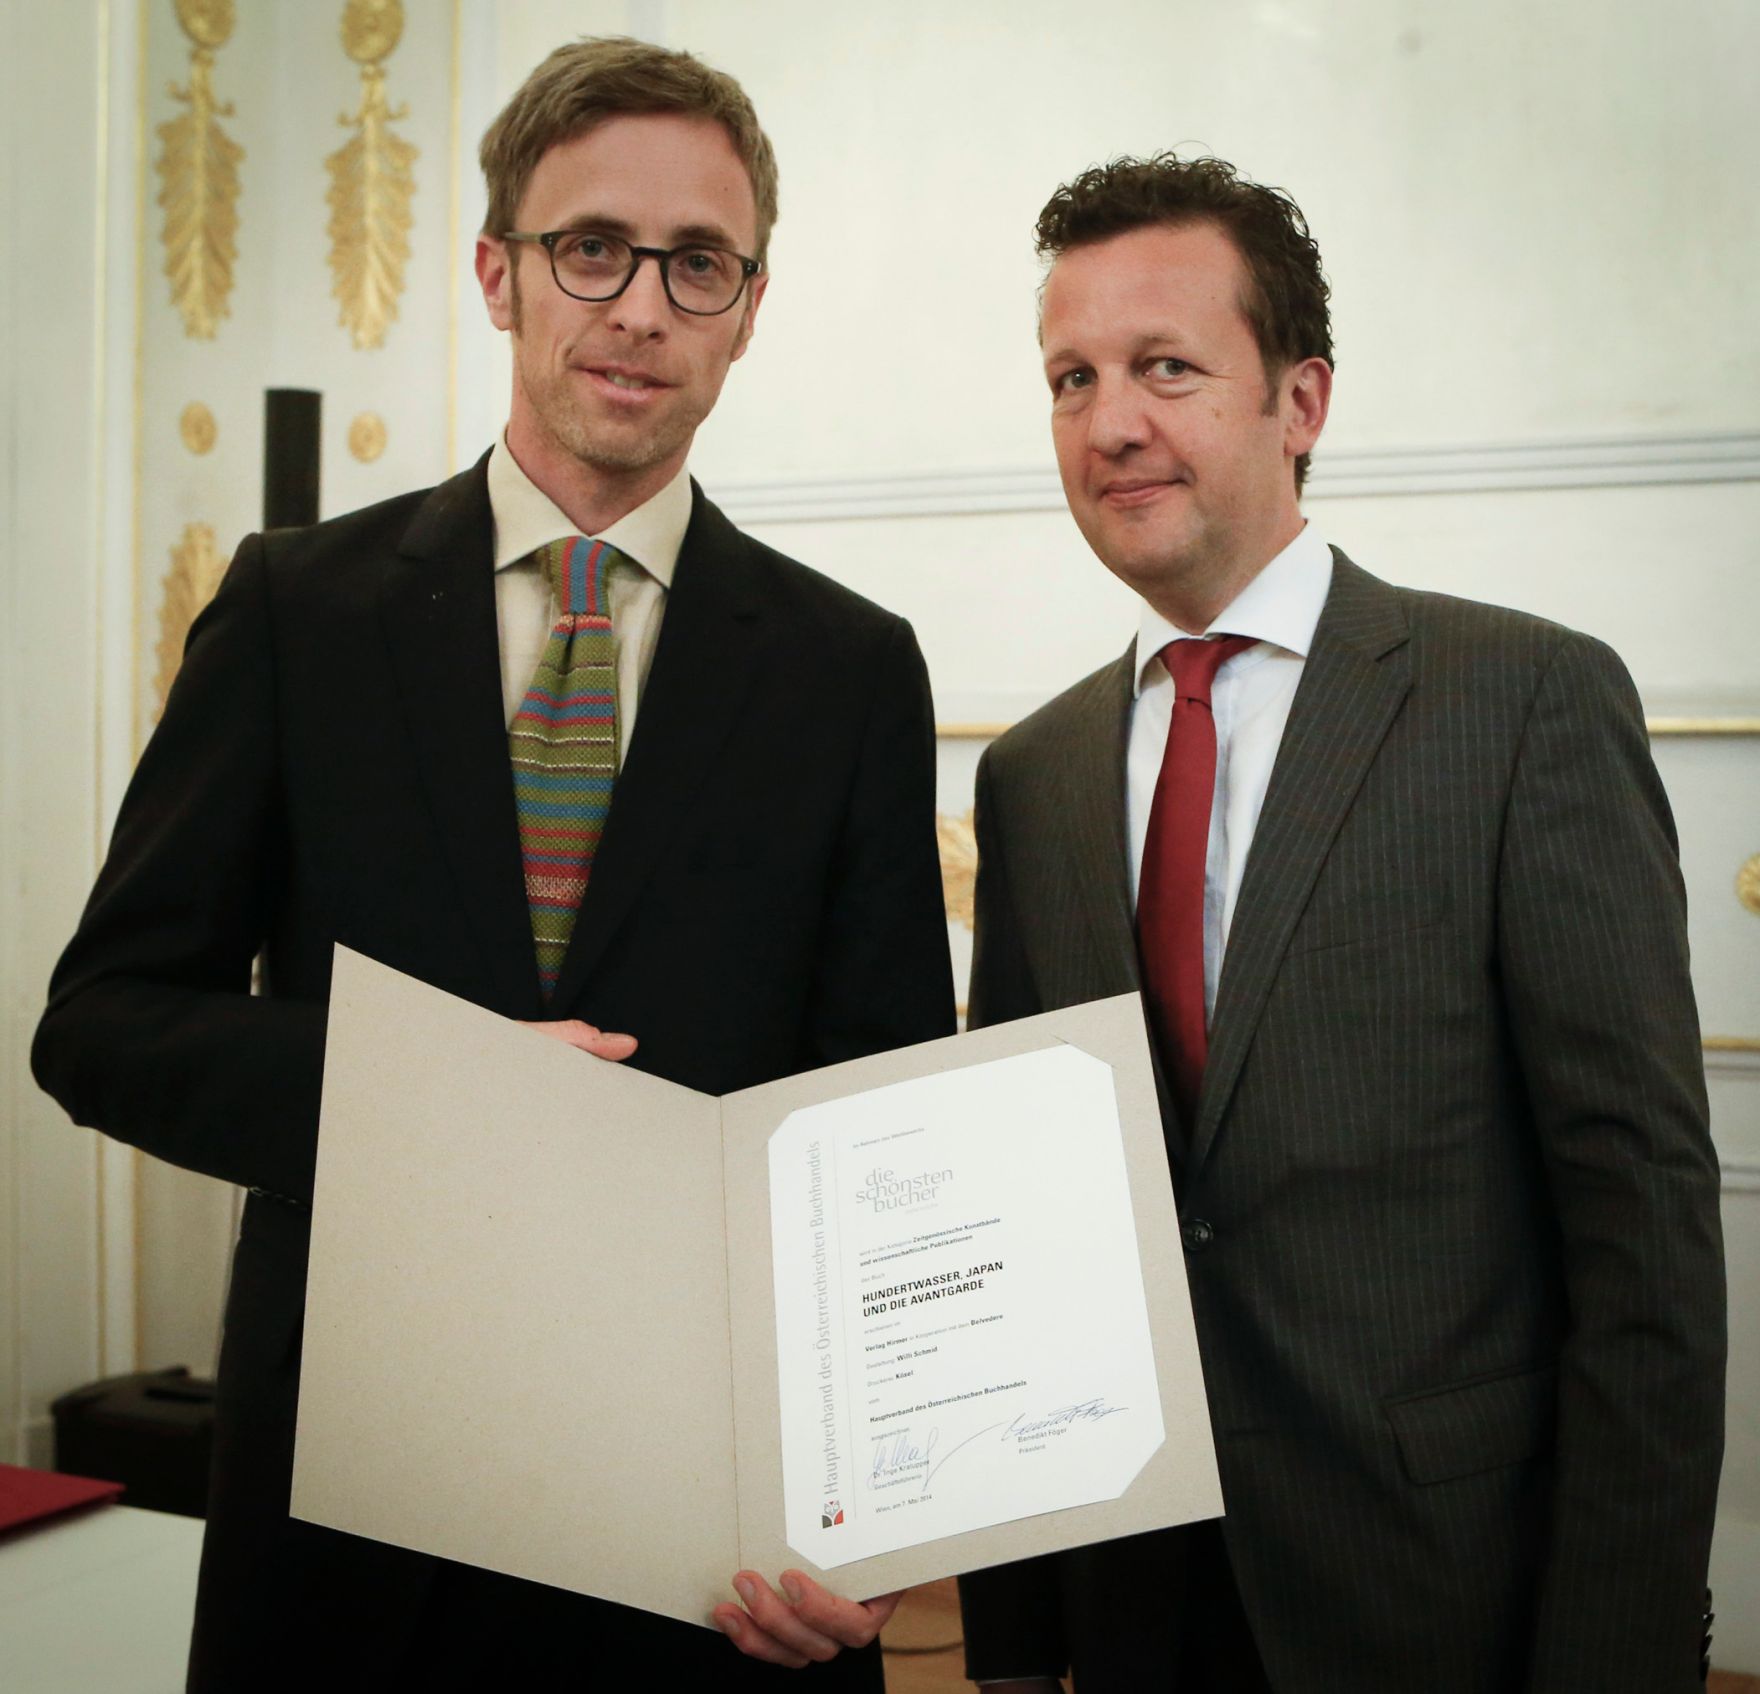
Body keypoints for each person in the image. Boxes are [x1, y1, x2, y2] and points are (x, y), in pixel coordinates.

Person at [32, 36, 953, 1692]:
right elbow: (99, 1021)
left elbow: (873, 1130)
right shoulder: (298, 611)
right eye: (590, 248)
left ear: (749, 306)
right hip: (345, 1524)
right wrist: (426, 1092)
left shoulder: (851, 667)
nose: (641, 305)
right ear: (495, 274)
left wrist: (868, 1511)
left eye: (699, 263)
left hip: (707, 1552)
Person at [955, 154, 1725, 1694]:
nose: (1110, 422)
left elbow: (1642, 1234)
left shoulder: (1523, 704)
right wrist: (1018, 1644)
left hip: (1442, 1598)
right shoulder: (1031, 774)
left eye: (1167, 367)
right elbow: (1028, 1245)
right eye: (1072, 377)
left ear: (1302, 401)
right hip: (1136, 1607)